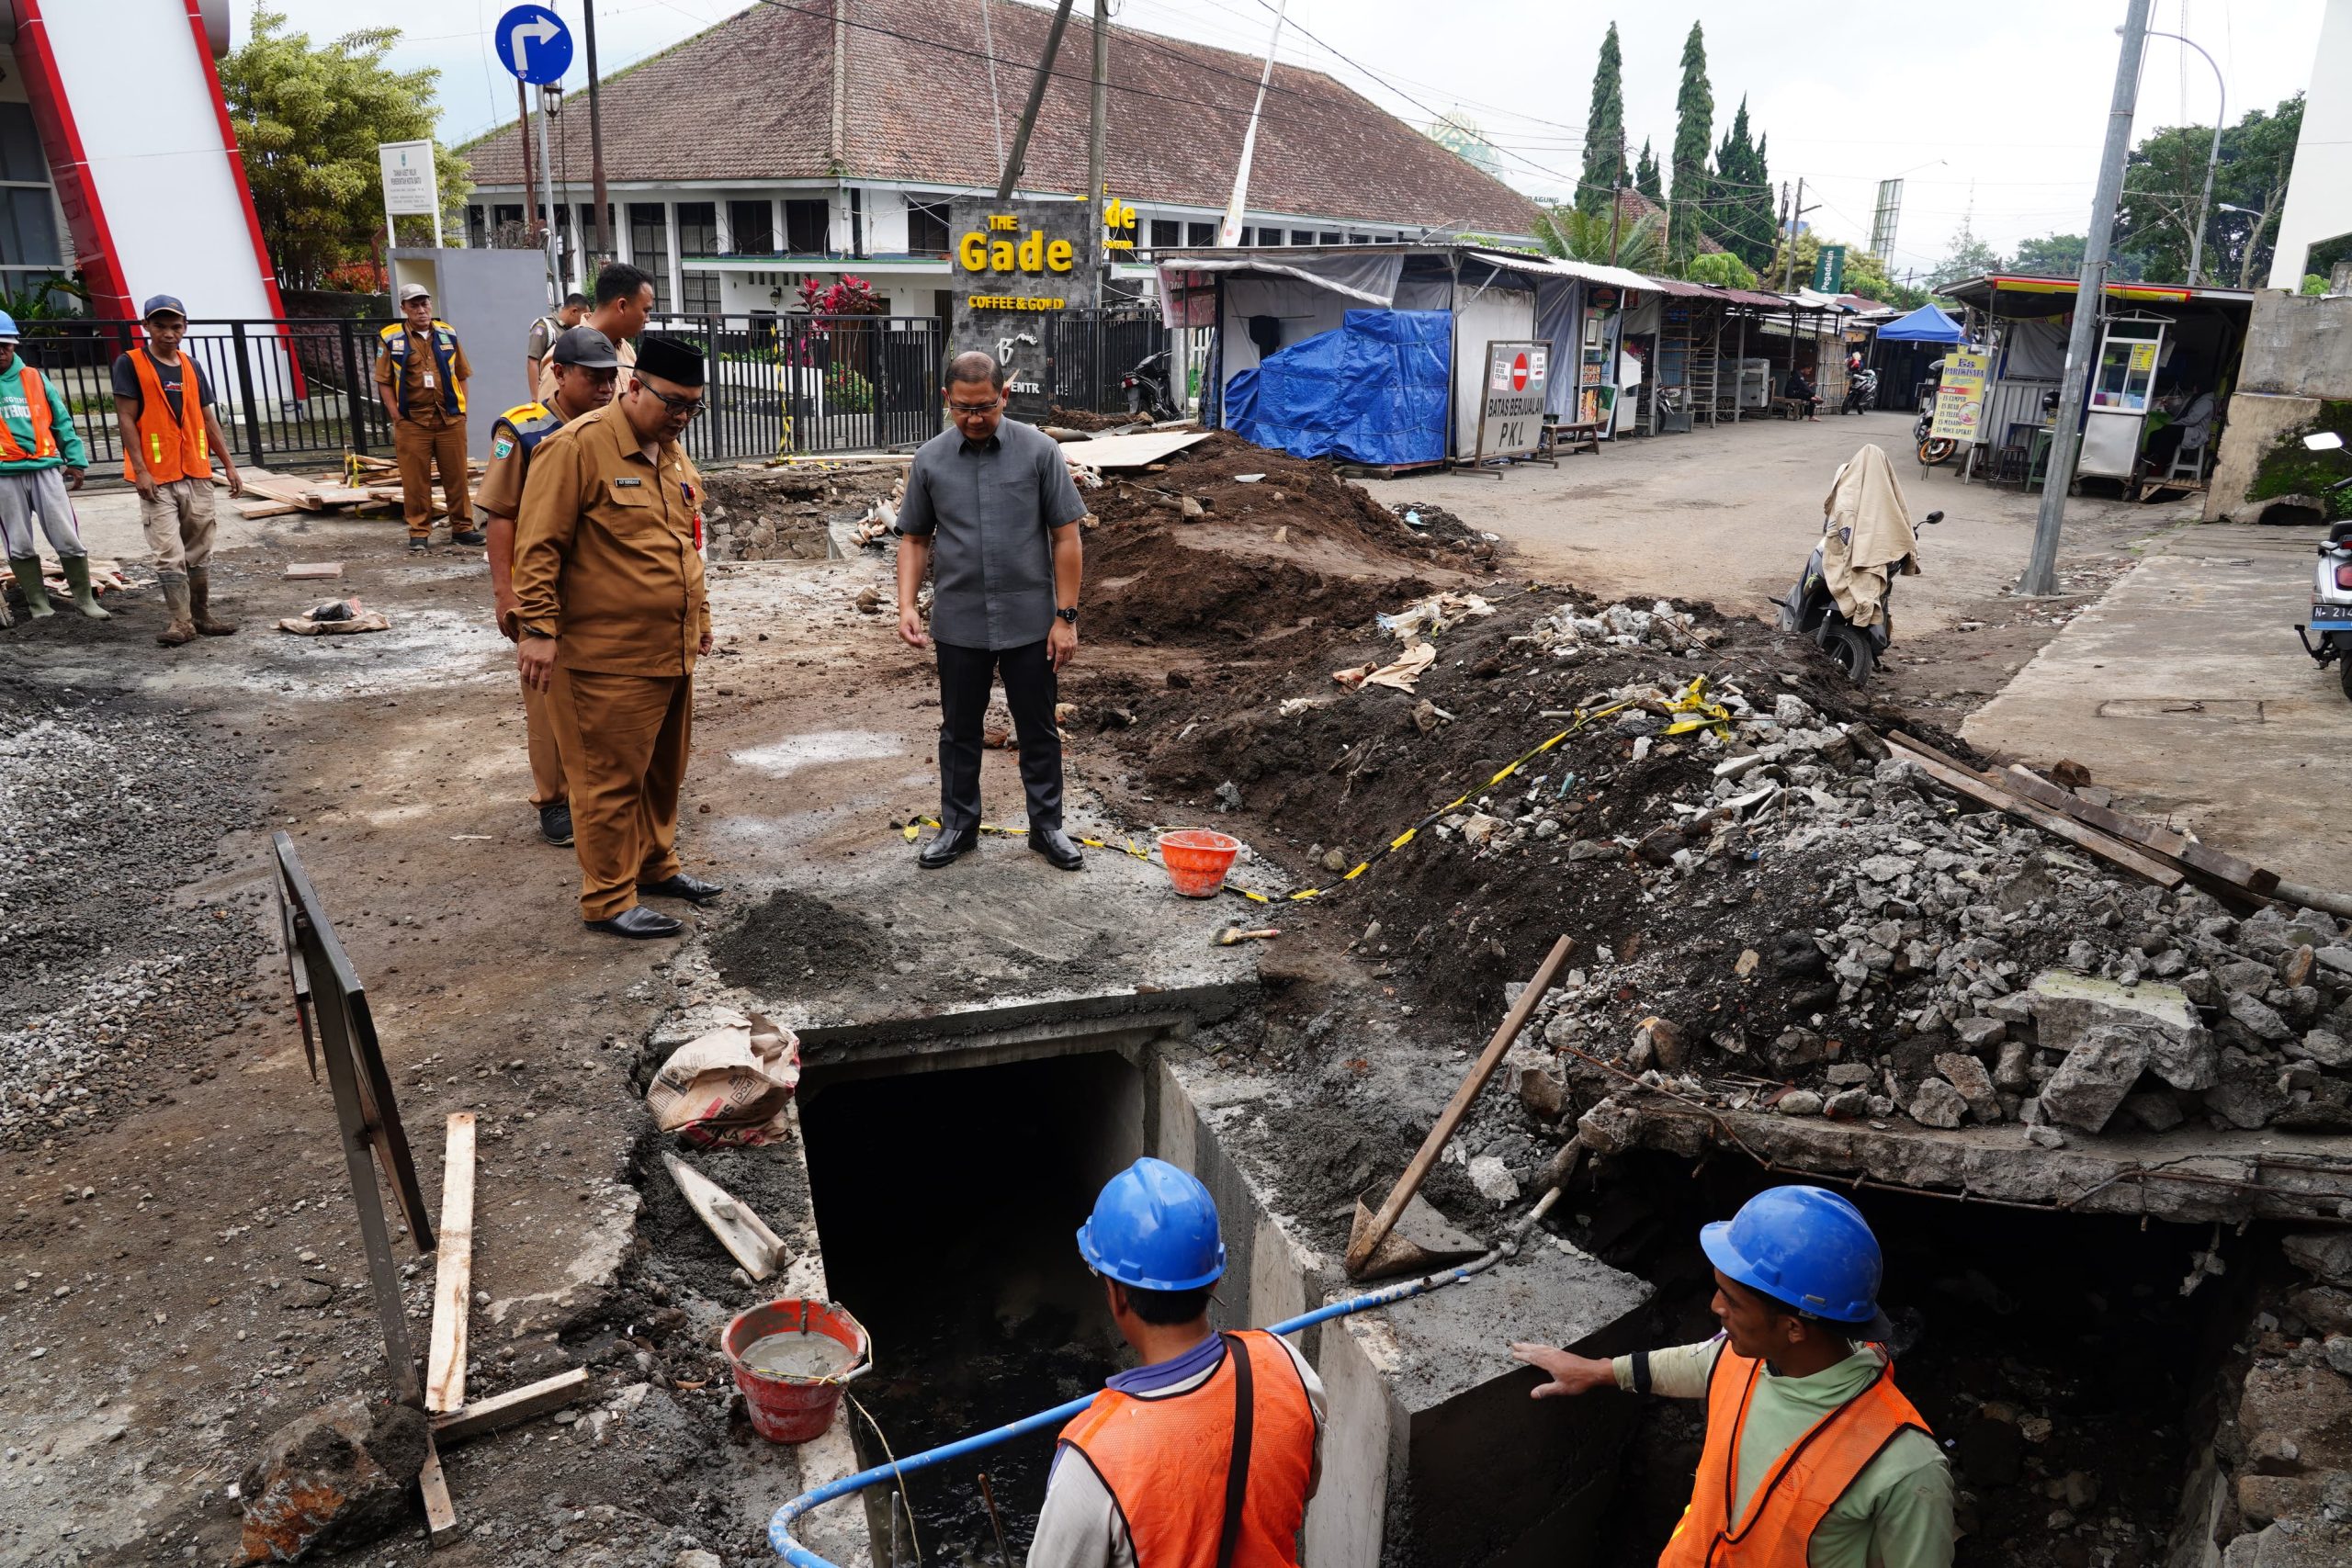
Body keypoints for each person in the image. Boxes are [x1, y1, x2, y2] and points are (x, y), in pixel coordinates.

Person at [1510, 1186, 1953, 1568]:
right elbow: (1701, 1364)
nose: (1715, 1308)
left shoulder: (1904, 1468)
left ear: (1794, 1327)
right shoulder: (1750, 1355)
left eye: (1733, 1301)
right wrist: (1598, 1371)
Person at [510, 335, 720, 940]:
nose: (681, 416)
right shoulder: (576, 449)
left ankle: (656, 867)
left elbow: (685, 544)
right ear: (634, 386)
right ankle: (607, 898)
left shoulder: (672, 455)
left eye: (692, 406)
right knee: (608, 779)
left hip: (669, 651)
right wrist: (538, 631)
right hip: (604, 659)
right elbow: (538, 545)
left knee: (661, 771)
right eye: (672, 402)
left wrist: (698, 619)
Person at [1031, 1157, 1326, 1568]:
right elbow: (1302, 1488)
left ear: (1116, 1297)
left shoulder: (1093, 1461)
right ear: (1214, 1279)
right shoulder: (1288, 1367)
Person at [895, 350, 1089, 872]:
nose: (974, 418)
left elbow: (1065, 537)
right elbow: (914, 538)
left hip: (1032, 622)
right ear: (946, 401)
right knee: (959, 728)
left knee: (1038, 726)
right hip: (959, 621)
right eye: (962, 408)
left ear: (1004, 396)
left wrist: (1065, 618)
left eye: (985, 407)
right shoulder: (930, 460)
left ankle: (1047, 828)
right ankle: (958, 825)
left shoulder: (1040, 452)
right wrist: (907, 604)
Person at [477, 325, 621, 849]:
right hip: (544, 590)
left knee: (605, 696)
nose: (606, 388)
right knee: (546, 697)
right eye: (594, 378)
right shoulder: (524, 432)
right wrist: (505, 594)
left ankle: (601, 794)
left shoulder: (615, 429)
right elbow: (501, 515)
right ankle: (554, 800)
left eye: (612, 379)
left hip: (602, 589)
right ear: (557, 373)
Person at [111, 294, 244, 646]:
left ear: (184, 328)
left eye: (175, 326)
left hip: (196, 472)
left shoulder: (191, 366)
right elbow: (126, 417)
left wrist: (228, 465)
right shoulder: (131, 364)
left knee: (199, 547)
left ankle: (201, 616)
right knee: (168, 551)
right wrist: (140, 470)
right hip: (157, 477)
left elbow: (208, 418)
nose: (168, 333)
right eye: (160, 326)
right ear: (147, 327)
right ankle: (180, 621)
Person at [0, 310, 102, 620]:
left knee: (67, 536)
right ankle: (38, 604)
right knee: (18, 541)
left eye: (4, 345)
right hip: (4, 475)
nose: (0, 352)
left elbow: (61, 421)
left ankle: (85, 600)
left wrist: (76, 461)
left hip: (45, 469)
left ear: (14, 345)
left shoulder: (34, 378)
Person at [375, 282, 477, 554]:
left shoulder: (447, 334)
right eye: (414, 305)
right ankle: (419, 531)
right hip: (413, 421)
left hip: (449, 419)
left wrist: (463, 409)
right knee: (415, 479)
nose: (421, 310)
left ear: (431, 305)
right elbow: (383, 380)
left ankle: (463, 528)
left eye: (425, 303)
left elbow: (462, 374)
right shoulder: (391, 338)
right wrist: (396, 415)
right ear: (404, 308)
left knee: (457, 476)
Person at [541, 264, 651, 405]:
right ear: (622, 306)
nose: (647, 319)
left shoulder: (626, 349)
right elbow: (551, 422)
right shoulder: (567, 354)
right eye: (646, 310)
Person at [524, 291, 587, 392]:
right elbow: (532, 361)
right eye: (583, 316)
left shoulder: (570, 331)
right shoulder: (545, 326)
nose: (584, 320)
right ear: (574, 311)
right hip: (547, 392)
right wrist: (536, 398)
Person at [2145, 383, 2214, 473]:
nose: (2193, 387)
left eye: (2195, 386)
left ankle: (2166, 460)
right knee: (2154, 435)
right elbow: (2179, 411)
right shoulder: (2192, 398)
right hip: (2184, 428)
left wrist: (2174, 424)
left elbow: (2192, 420)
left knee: (2168, 431)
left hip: (2195, 432)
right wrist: (2168, 406)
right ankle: (2153, 457)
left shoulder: (2206, 402)